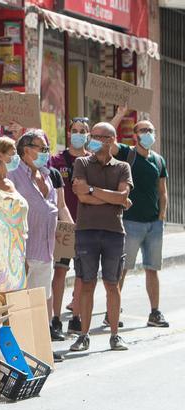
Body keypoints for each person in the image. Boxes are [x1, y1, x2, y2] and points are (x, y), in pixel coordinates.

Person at [69, 122, 133, 353]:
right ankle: (83, 335)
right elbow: (82, 197)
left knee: (112, 284)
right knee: (87, 283)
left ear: (111, 140)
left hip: (114, 232)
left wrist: (93, 190)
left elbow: (122, 195)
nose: (92, 139)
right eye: (92, 135)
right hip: (86, 231)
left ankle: (115, 335)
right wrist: (113, 198)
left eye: (99, 136)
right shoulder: (82, 162)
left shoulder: (123, 166)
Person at [111, 108, 169, 328]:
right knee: (122, 268)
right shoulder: (128, 153)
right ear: (135, 135)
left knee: (152, 268)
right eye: (143, 130)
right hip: (130, 222)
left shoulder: (159, 160)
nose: (147, 134)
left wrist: (162, 215)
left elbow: (162, 189)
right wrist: (120, 115)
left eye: (150, 130)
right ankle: (112, 311)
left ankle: (154, 312)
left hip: (154, 224)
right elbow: (109, 139)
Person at [9, 131, 68, 341]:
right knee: (21, 305)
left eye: (46, 149)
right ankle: (24, 348)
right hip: (23, 252)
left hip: (46, 250)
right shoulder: (12, 175)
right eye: (42, 149)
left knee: (42, 301)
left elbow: (58, 207)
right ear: (27, 150)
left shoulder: (46, 174)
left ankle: (42, 347)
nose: (46, 153)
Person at [49, 118, 90, 335]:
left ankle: (76, 316)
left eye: (82, 131)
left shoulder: (93, 161)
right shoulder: (56, 160)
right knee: (60, 271)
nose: (78, 134)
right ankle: (56, 317)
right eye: (74, 130)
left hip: (87, 226)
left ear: (88, 135)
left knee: (83, 274)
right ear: (68, 133)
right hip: (64, 227)